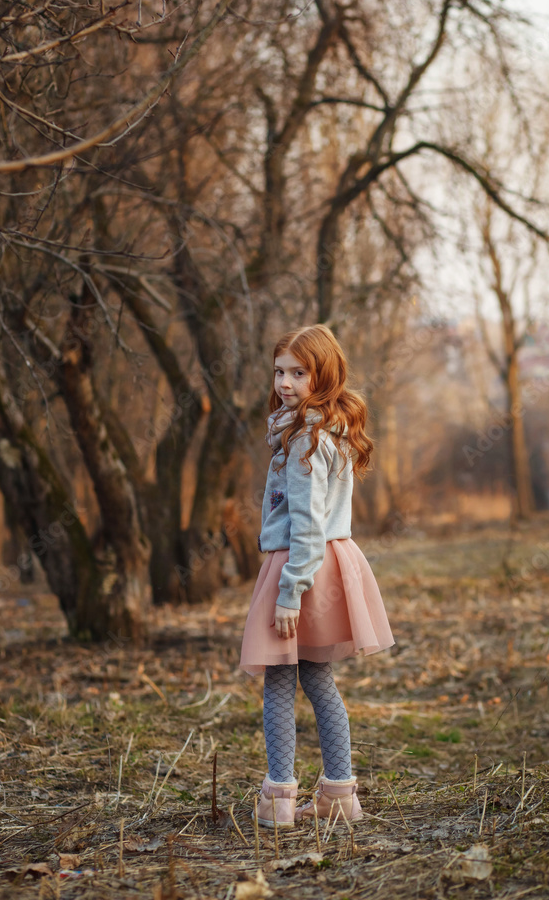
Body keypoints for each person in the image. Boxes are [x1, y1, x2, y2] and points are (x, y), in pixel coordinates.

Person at [240, 324, 394, 828]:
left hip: (300, 569)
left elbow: (306, 524)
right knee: (316, 678)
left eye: (298, 372)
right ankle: (339, 794)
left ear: (322, 374)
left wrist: (289, 593)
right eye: (280, 370)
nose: (285, 382)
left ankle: (280, 798)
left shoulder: (306, 436)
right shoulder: (326, 427)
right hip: (324, 566)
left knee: (281, 681)